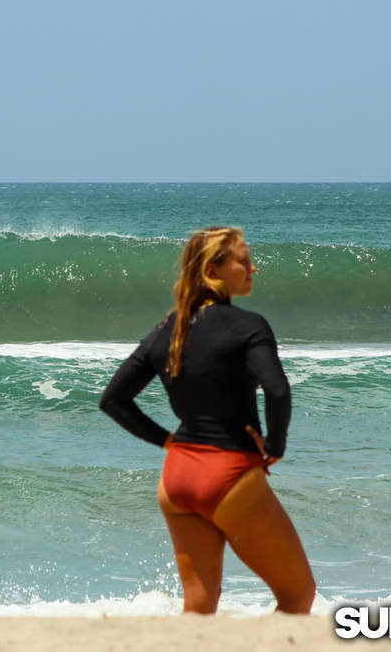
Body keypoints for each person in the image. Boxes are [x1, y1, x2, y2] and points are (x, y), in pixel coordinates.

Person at [99, 226, 315, 615]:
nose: (253, 267)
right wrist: (275, 445)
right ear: (214, 270)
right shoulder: (248, 325)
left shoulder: (168, 329)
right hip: (229, 473)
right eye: (243, 259)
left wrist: (167, 441)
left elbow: (113, 400)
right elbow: (278, 390)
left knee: (198, 606)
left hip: (178, 476)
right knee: (297, 596)